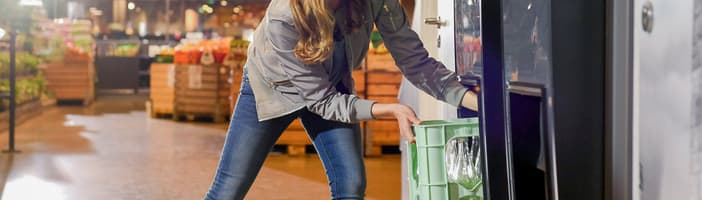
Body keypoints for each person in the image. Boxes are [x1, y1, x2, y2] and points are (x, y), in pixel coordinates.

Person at [204, 0, 478, 199]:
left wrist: (475, 102)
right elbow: (320, 102)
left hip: (332, 87)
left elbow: (417, 63)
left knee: (351, 184)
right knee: (229, 189)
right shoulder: (284, 14)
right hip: (271, 89)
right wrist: (388, 109)